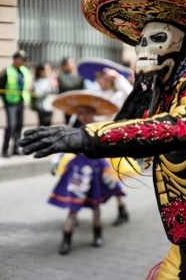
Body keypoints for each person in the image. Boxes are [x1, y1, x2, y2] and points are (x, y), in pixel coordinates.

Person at [20, 0, 186, 279]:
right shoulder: (167, 92)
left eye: (157, 39)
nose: (144, 49)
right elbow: (143, 131)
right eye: (141, 41)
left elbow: (180, 128)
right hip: (185, 244)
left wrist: (86, 137)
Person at [48, 90, 127, 255]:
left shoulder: (99, 127)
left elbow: (108, 142)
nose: (83, 116)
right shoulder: (73, 128)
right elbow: (62, 144)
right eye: (80, 113)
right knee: (73, 207)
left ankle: (98, 235)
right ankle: (66, 239)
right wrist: (55, 161)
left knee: (96, 206)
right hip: (78, 170)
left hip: (97, 168)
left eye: (87, 112)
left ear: (93, 113)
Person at [0, 50, 32, 158]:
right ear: (16, 59)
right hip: (10, 102)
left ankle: (16, 147)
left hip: (21, 101)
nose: (24, 61)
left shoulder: (24, 70)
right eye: (22, 59)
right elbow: (0, 87)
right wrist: (5, 100)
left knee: (19, 125)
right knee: (11, 125)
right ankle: (5, 148)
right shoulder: (7, 70)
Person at [57, 57, 84, 123]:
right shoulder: (61, 75)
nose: (73, 65)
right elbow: (67, 85)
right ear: (64, 65)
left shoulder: (77, 74)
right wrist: (78, 80)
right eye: (71, 63)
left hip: (78, 102)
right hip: (68, 103)